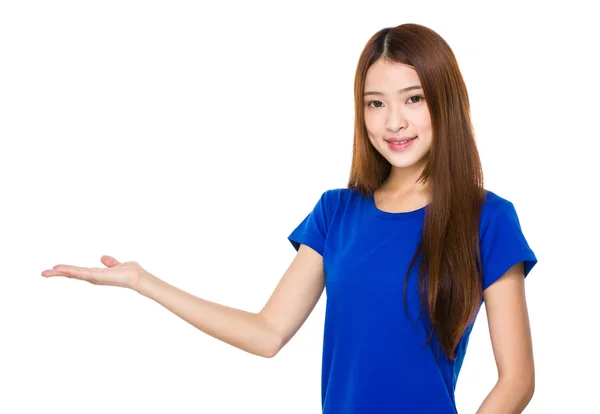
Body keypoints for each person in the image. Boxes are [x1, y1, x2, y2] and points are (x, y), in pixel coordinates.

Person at [41, 23, 538, 414]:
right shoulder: (336, 212)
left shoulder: (488, 219)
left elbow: (517, 380)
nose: (393, 122)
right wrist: (142, 281)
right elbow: (267, 333)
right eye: (375, 104)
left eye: (413, 98)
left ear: (445, 102)